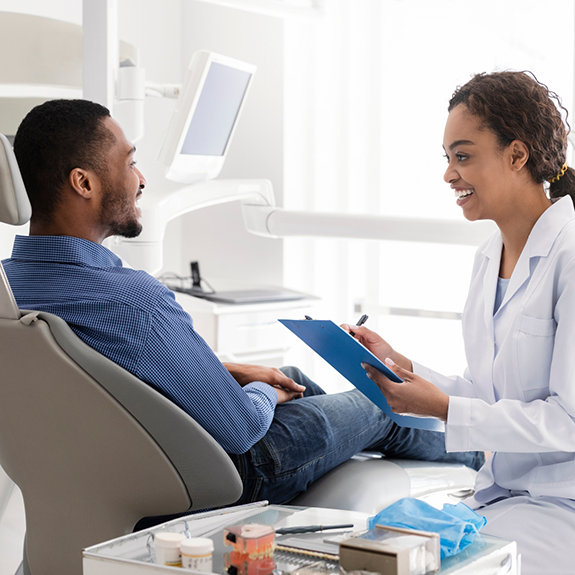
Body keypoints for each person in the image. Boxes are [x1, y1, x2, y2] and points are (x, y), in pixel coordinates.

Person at [3, 99, 481, 507]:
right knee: (373, 404)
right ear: (84, 184)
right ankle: (484, 455)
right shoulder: (134, 301)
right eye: (129, 163)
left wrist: (234, 373)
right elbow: (238, 428)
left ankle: (361, 438)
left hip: (115, 469)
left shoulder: (10, 288)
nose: (141, 179)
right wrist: (262, 395)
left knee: (289, 377)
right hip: (228, 473)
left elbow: (103, 375)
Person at [347, 71, 575, 574]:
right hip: (504, 494)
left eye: (464, 156)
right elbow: (488, 392)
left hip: (563, 506)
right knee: (372, 550)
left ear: (517, 156)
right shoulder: (488, 255)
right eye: (448, 158)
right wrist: (404, 368)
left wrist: (446, 407)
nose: (449, 174)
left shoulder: (570, 255)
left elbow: (568, 421)